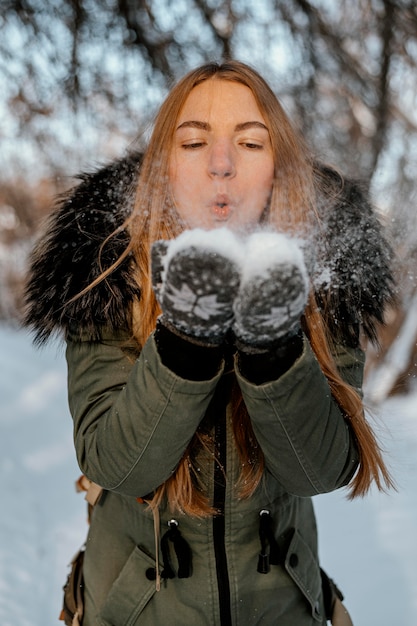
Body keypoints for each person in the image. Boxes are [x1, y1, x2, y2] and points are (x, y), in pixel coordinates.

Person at [24, 60, 394, 626]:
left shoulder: (324, 277)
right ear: (164, 166)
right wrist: (185, 339)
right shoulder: (107, 268)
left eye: (250, 143)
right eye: (194, 142)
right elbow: (116, 464)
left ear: (278, 166)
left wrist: (273, 347)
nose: (221, 165)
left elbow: (320, 470)